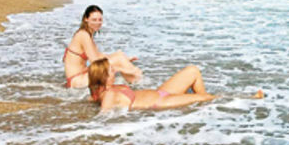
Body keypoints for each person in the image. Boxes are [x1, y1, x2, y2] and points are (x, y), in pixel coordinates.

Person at [88, 57, 263, 111]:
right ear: (102, 76)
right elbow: (104, 117)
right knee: (205, 97)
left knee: (193, 71)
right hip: (159, 102)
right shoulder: (109, 94)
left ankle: (203, 107)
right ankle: (250, 98)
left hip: (161, 92)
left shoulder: (105, 90)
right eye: (111, 70)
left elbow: (94, 99)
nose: (115, 70)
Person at [63, 5, 142, 89]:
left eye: (100, 20)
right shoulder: (83, 35)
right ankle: (138, 86)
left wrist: (125, 58)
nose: (97, 23)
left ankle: (135, 84)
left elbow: (99, 56)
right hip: (77, 80)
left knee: (119, 55)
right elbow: (95, 62)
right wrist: (119, 68)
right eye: (94, 20)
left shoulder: (87, 35)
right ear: (86, 19)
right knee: (120, 60)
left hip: (82, 75)